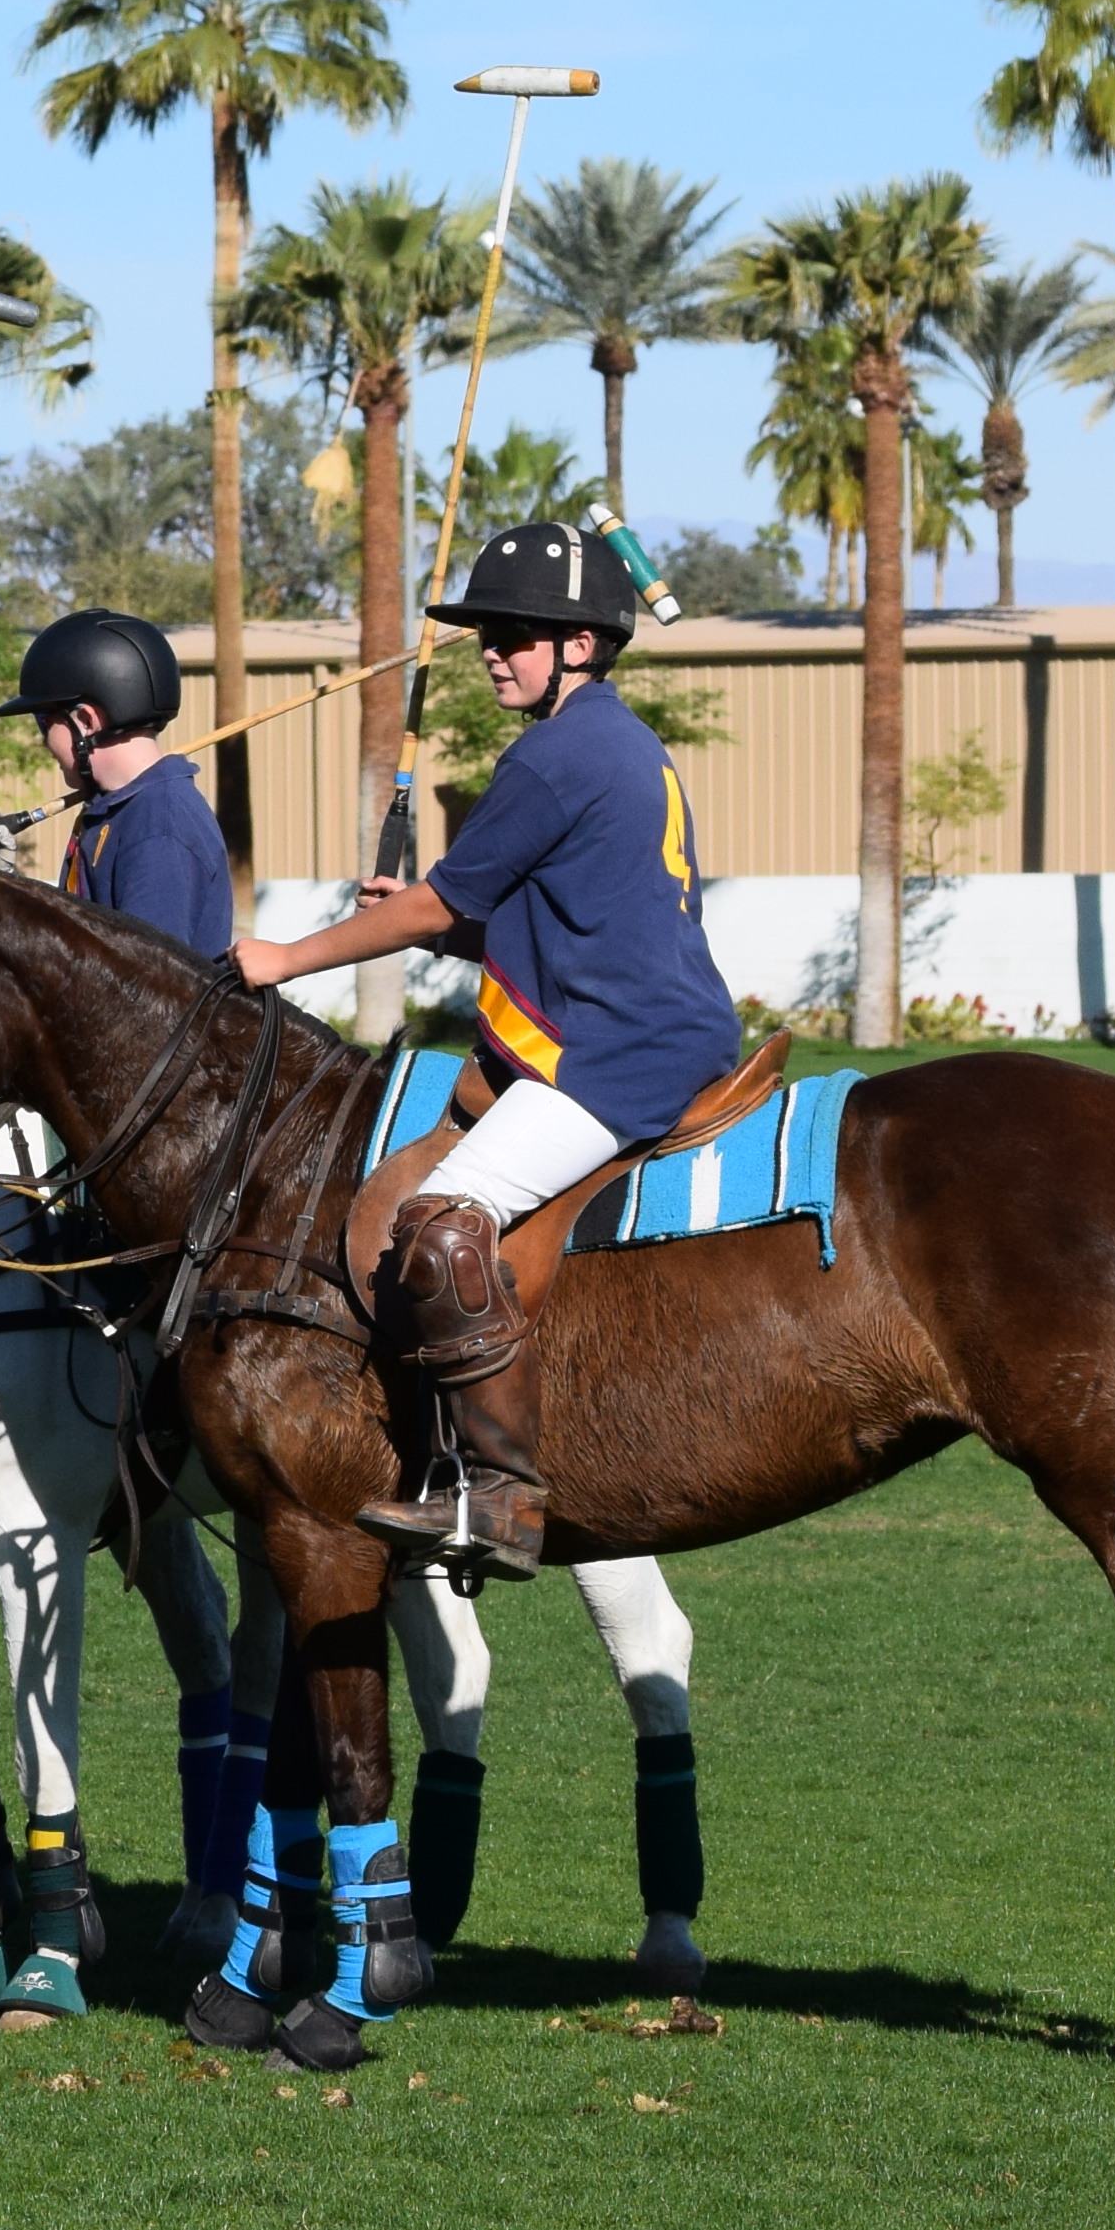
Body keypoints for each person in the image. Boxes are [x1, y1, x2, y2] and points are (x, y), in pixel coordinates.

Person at [224, 523, 732, 1577]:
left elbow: (439, 906)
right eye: (488, 632)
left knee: (441, 1224)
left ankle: (499, 1493)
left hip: (617, 1052)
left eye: (516, 632)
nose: (494, 649)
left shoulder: (557, 753)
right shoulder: (617, 742)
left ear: (582, 644)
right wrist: (433, 914)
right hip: (656, 1025)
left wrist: (288, 956)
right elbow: (544, 912)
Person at [15, 607, 234, 958]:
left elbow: (143, 988)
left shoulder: (158, 828)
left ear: (86, 720)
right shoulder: (120, 809)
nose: (44, 742)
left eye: (44, 723)